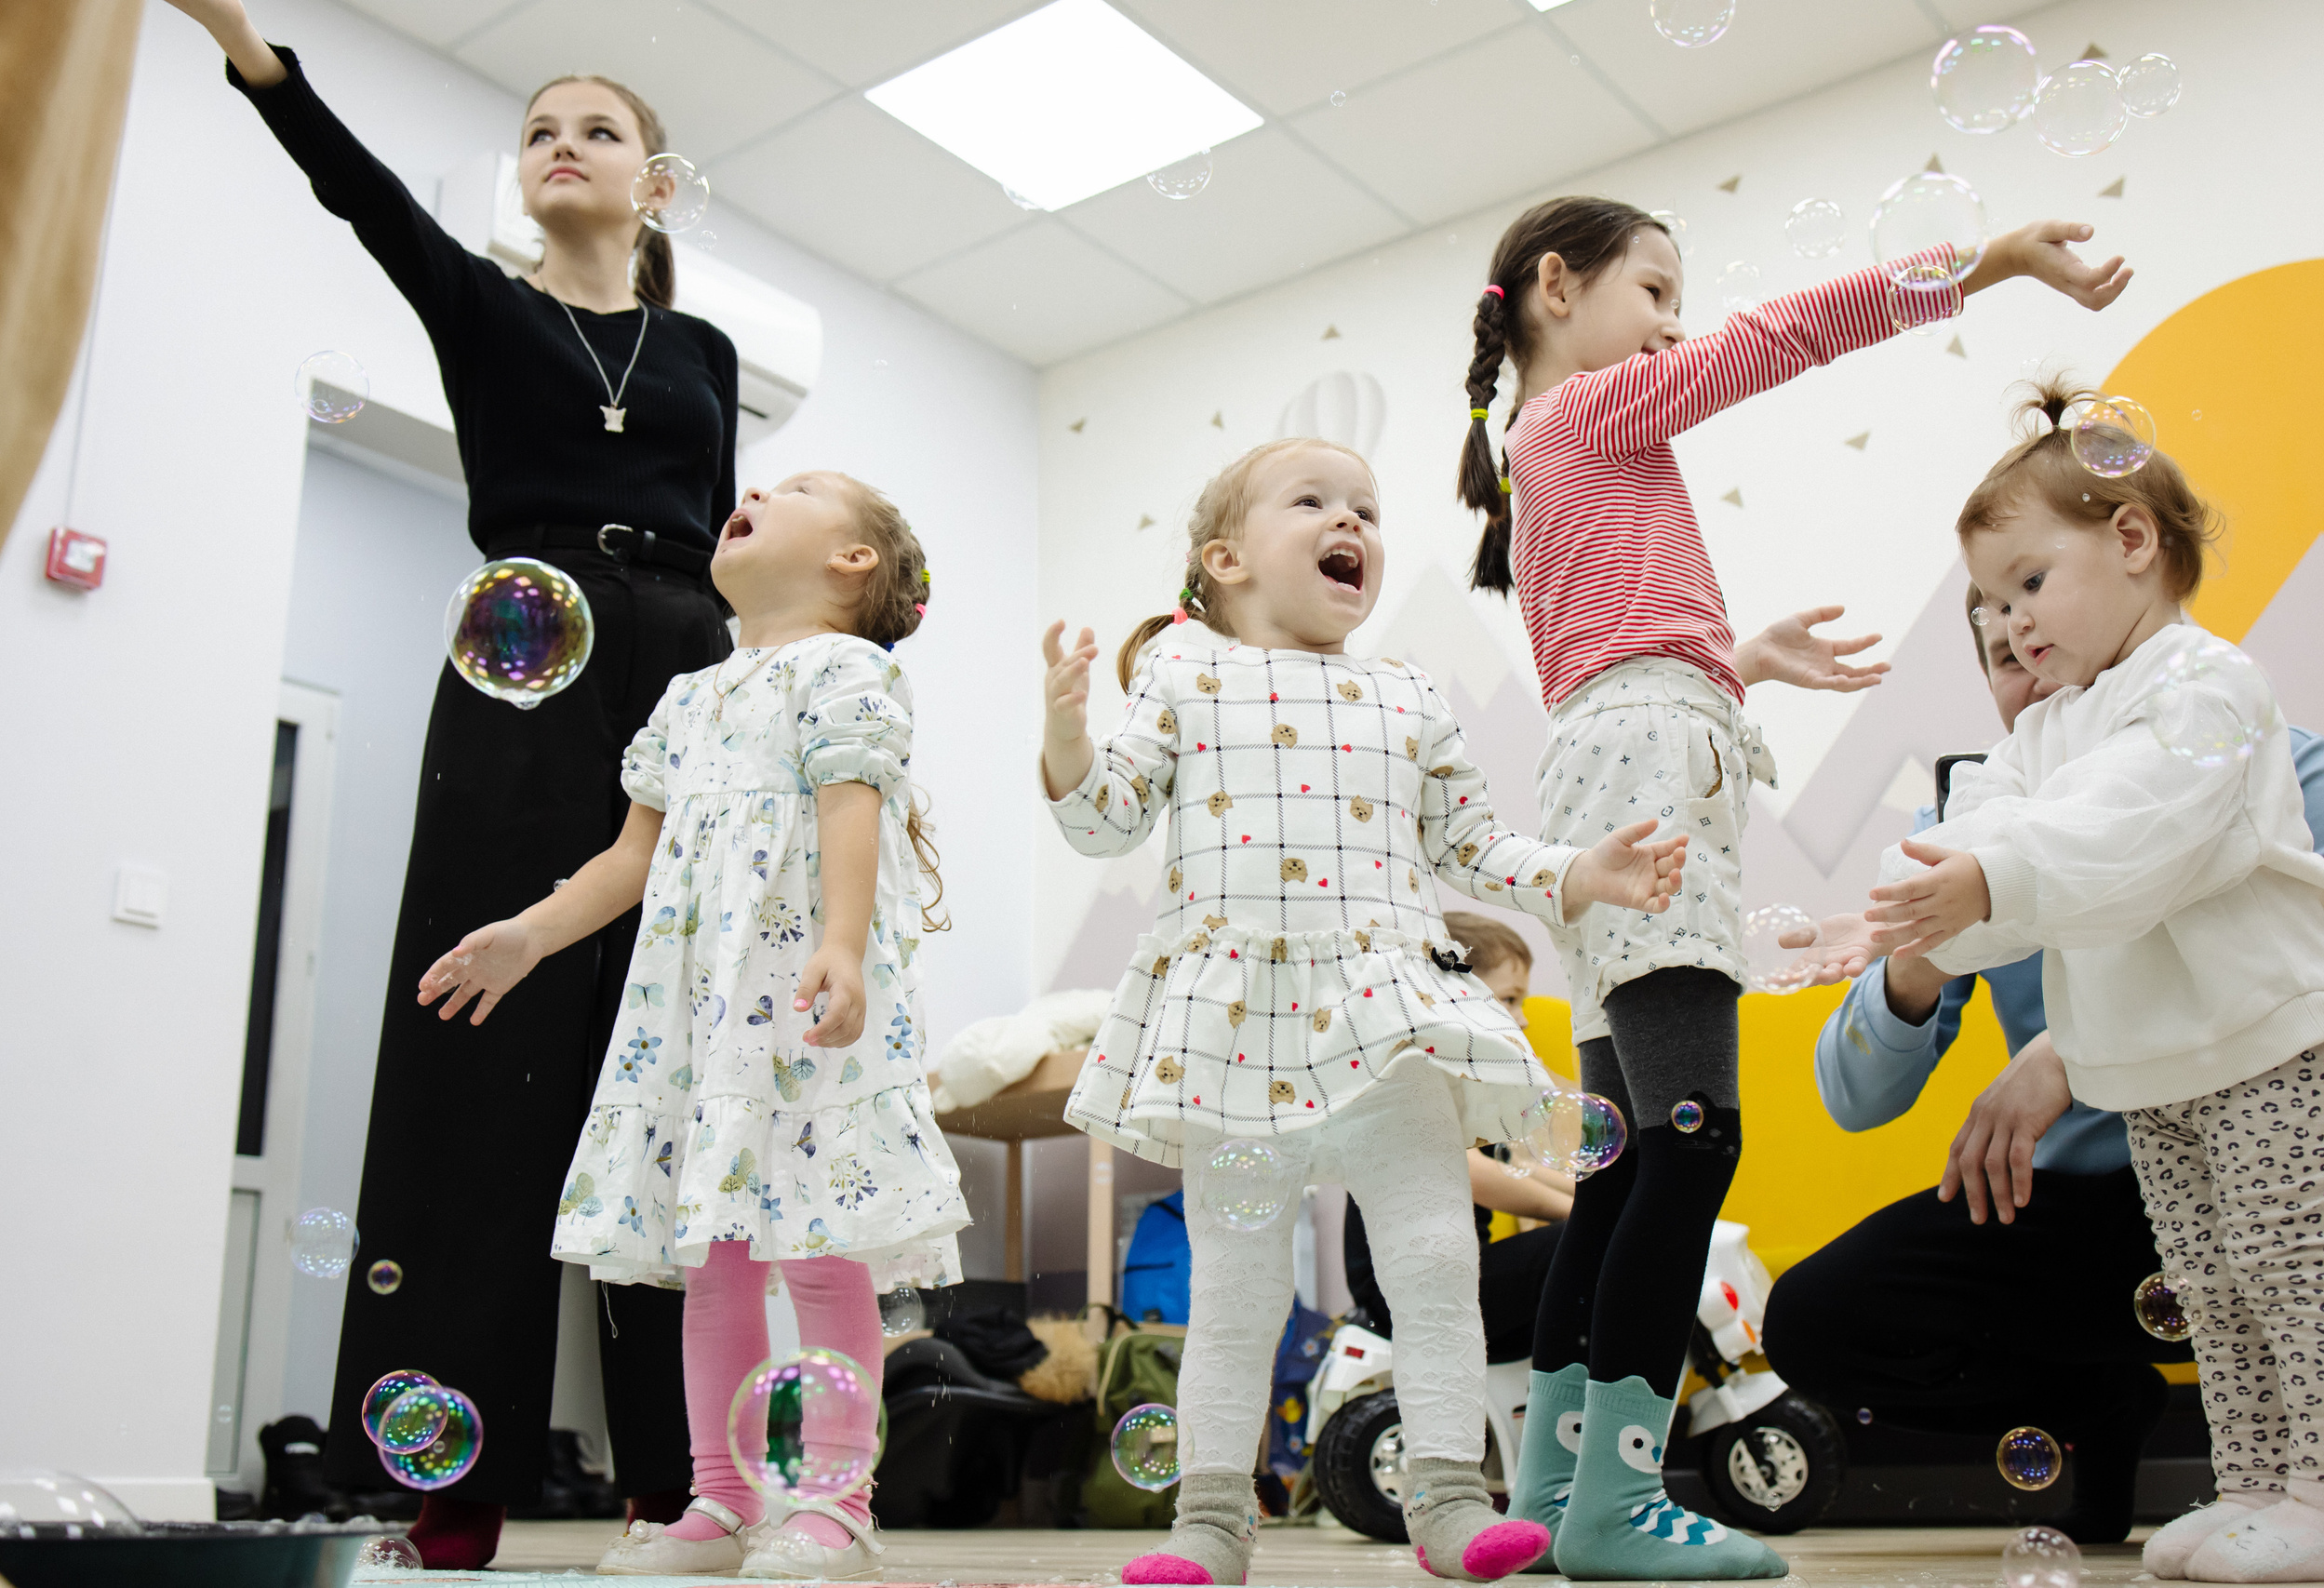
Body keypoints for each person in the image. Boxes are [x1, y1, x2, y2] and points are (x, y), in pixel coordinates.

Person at [1452, 192, 2133, 1580]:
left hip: (1614, 770)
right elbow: (1791, 335)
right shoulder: (1582, 415)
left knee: (1627, 1160)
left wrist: (1733, 658)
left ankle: (1546, 1495)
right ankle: (1611, 1504)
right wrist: (1987, 258)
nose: (1675, 324)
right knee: (1692, 1143)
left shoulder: (1531, 458)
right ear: (1555, 287)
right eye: (1653, 291)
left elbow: (1608, 665)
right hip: (1653, 776)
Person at [165, 2, 741, 1563]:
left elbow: (731, 534)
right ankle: (449, 1469)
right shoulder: (484, 312)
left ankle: (679, 1471)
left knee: (676, 1053)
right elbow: (353, 187)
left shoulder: (701, 352)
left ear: (657, 184)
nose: (561, 142)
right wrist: (239, 36)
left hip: (689, 661)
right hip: (522, 659)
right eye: (538, 128)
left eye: (596, 127)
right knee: (483, 1034)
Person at [1038, 437, 1689, 1587]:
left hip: (1389, 1012)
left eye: (1369, 512)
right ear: (1225, 559)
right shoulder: (1182, 674)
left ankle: (1445, 1498)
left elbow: (1475, 847)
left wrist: (1583, 872)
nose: (1355, 525)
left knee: (1436, 1257)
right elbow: (1102, 821)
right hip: (1238, 1025)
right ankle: (1210, 1520)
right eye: (1316, 504)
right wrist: (1066, 731)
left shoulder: (1405, 692)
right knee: (1239, 1281)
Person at [1858, 380, 2324, 1582]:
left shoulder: (2208, 686)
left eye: (2029, 584)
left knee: (2286, 1256)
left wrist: (1984, 874)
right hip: (2165, 1059)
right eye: (1989, 603)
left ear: (2134, 542)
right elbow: (1983, 845)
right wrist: (1895, 910)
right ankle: (2254, 1482)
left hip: (2280, 1035)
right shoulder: (2047, 731)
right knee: (2203, 1277)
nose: (2010, 622)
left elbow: (2126, 832)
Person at [420, 470, 970, 1580]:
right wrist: (530, 933)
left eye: (801, 487)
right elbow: (630, 860)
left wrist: (844, 944)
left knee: (819, 1249)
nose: (759, 484)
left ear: (851, 562)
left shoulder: (845, 669)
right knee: (714, 1261)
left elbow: (849, 803)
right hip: (700, 1021)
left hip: (805, 1008)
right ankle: (717, 1505)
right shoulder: (686, 699)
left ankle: (832, 1506)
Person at [1342, 912, 1574, 1364]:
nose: (1524, 1019)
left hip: (1455, 1275)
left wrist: (1598, 1196)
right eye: (1510, 999)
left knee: (1601, 1249)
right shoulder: (1409, 1076)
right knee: (1590, 1243)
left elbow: (1516, 1166)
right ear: (1452, 997)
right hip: (1406, 1291)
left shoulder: (1473, 1087)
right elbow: (1472, 1173)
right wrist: (1582, 1212)